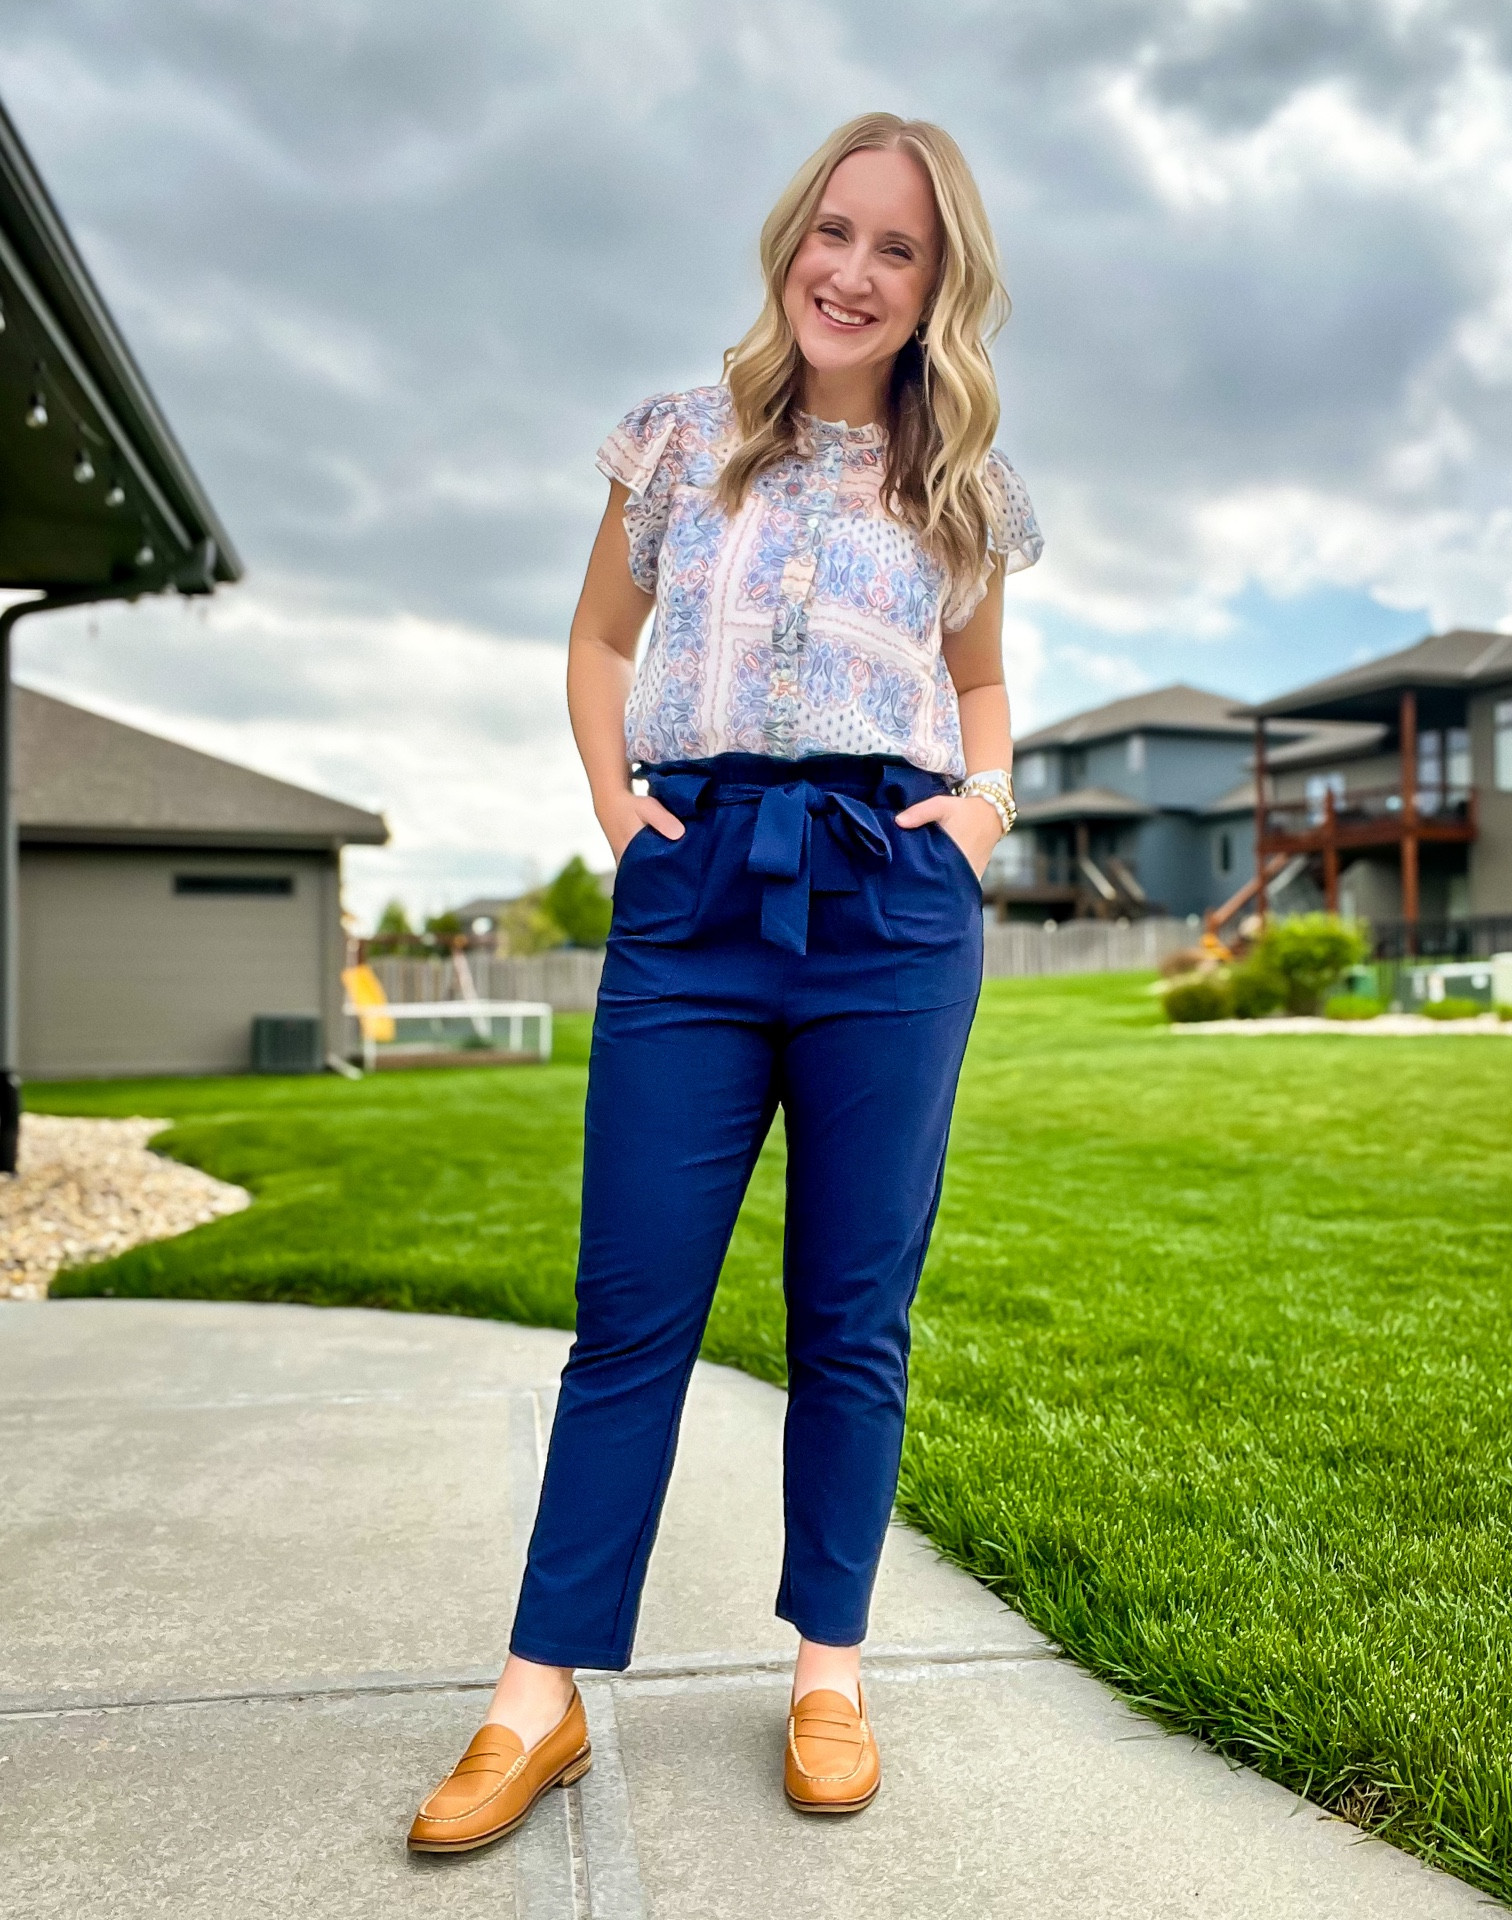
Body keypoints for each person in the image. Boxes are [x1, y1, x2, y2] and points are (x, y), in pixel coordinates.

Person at [408, 109, 1041, 1853]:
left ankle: (828, 1671)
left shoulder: (958, 482)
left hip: (891, 908)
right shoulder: (680, 440)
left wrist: (976, 817)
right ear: (790, 241)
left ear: (937, 288)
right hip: (695, 897)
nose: (851, 269)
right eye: (832, 230)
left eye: (896, 249)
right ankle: (536, 1703)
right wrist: (622, 813)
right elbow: (601, 643)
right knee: (634, 1316)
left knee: (853, 1313)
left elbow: (983, 694)